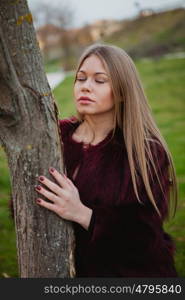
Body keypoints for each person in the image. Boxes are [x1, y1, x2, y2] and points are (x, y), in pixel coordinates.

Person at [35, 43, 178, 277]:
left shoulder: (146, 151)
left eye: (99, 80)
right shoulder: (55, 138)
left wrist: (82, 213)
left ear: (122, 91)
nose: (86, 87)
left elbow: (145, 237)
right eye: (81, 78)